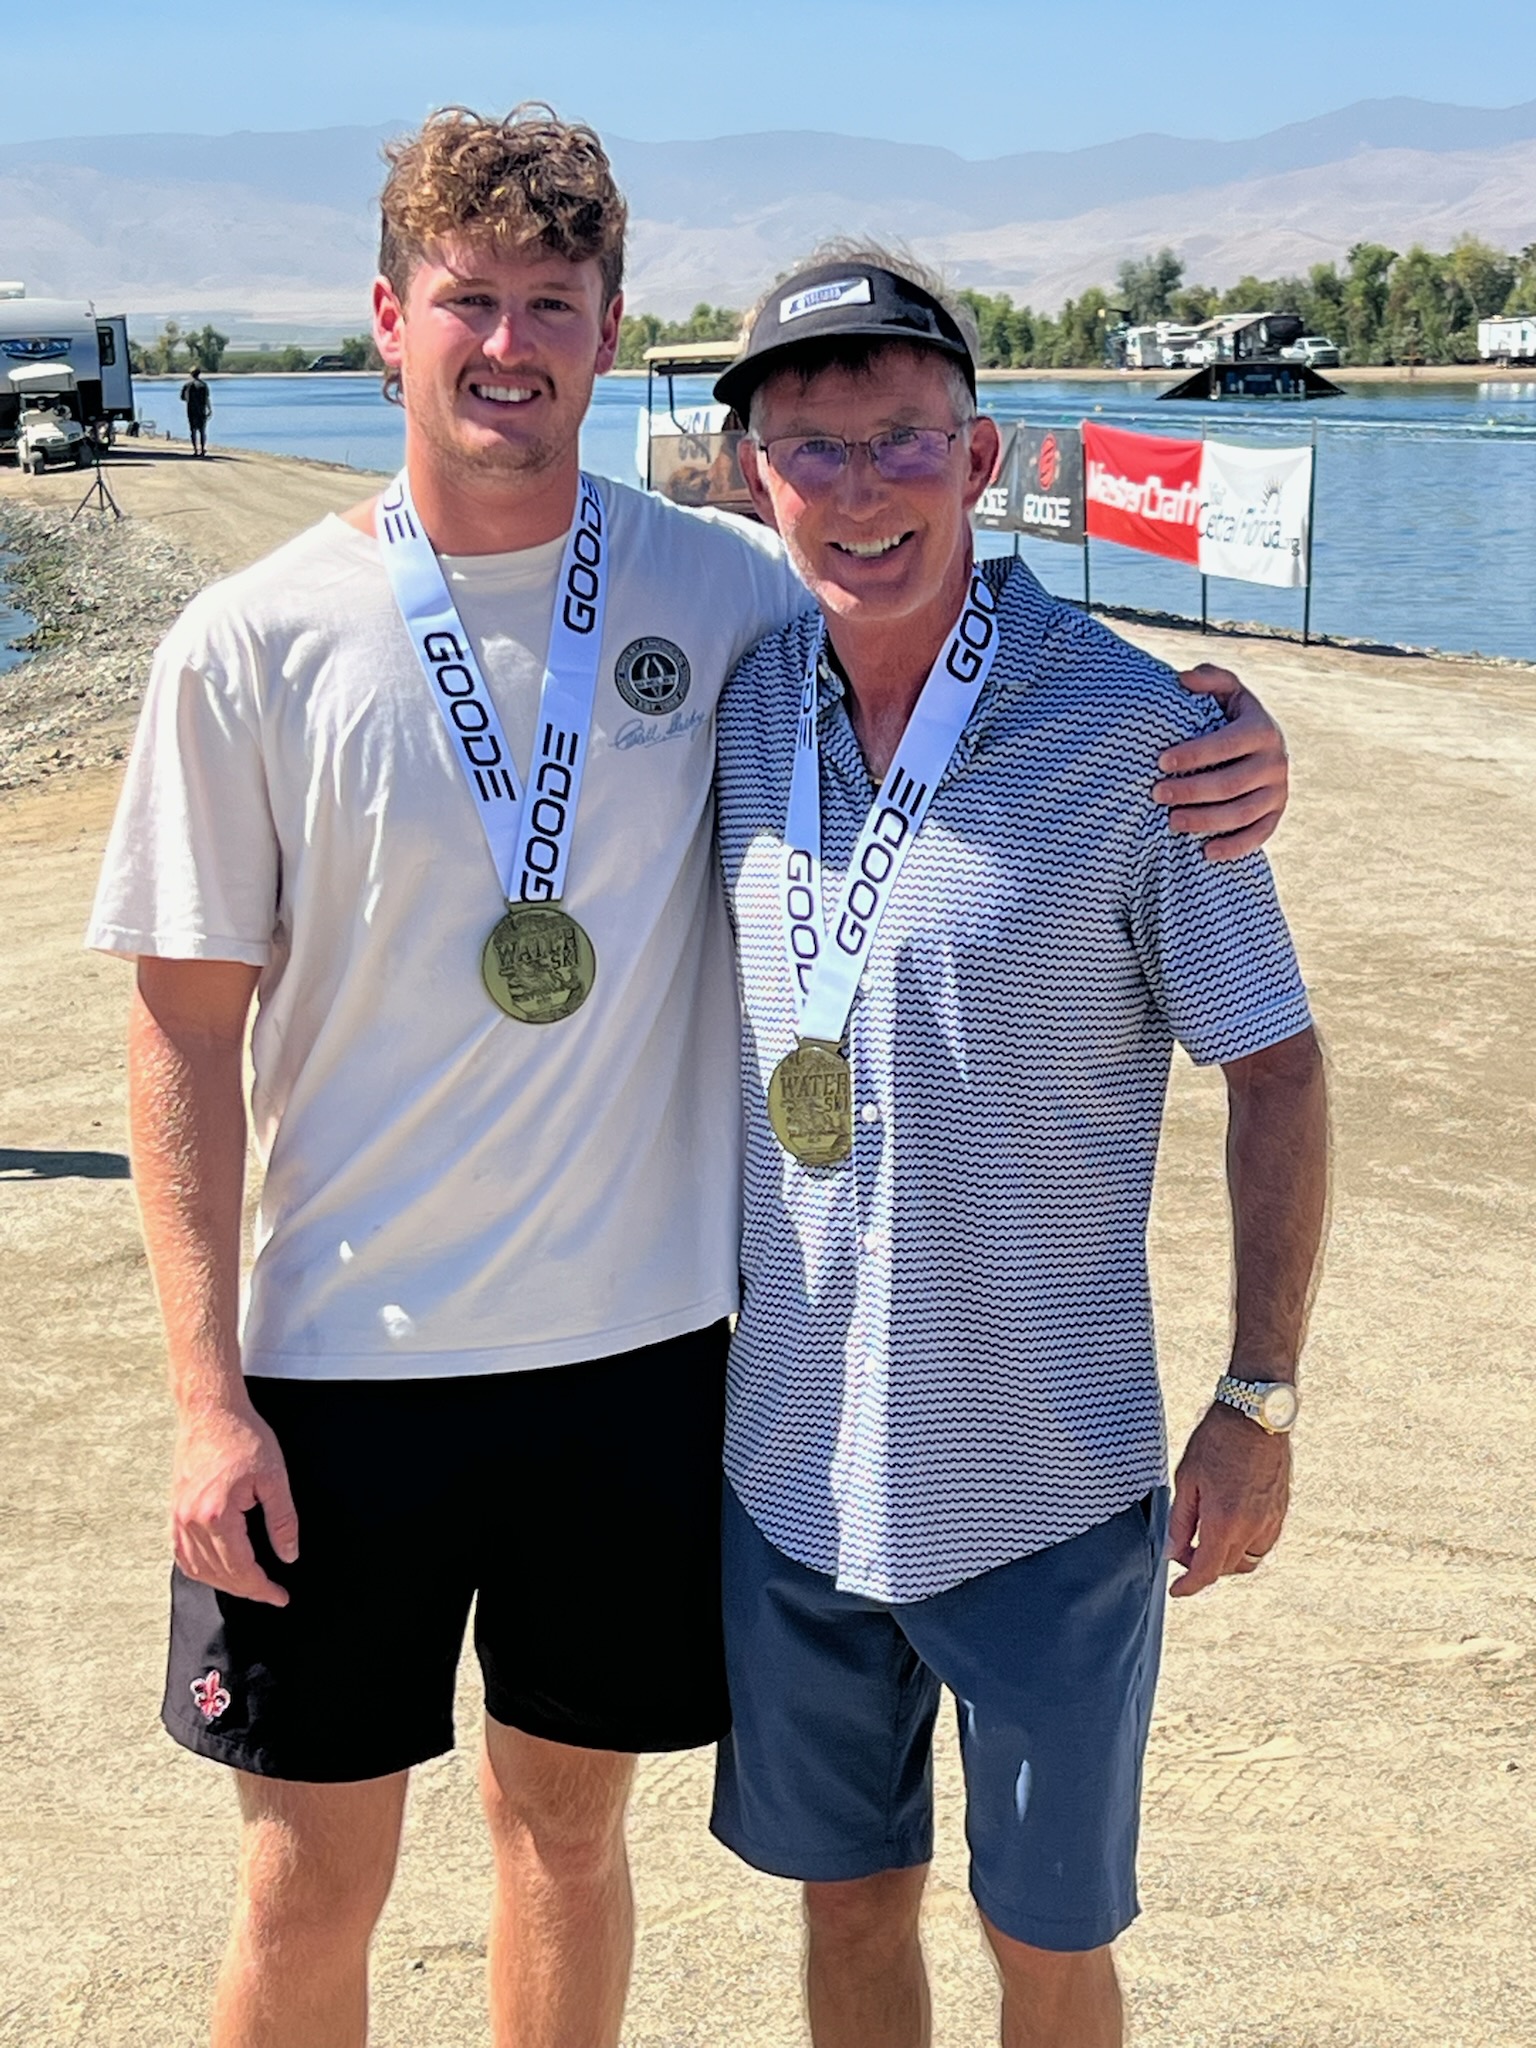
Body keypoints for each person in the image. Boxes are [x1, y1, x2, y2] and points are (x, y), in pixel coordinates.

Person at [86, 111, 1290, 2048]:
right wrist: (201, 1395)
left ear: (606, 326)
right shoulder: (249, 641)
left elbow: (951, 624)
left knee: (565, 1843)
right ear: (387, 320)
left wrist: (1218, 722)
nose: (509, 344)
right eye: (467, 301)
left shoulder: (725, 593)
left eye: (550, 304)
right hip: (334, 1367)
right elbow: (178, 1036)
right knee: (306, 1884)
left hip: (636, 1371)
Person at [707, 250, 1330, 2048]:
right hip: (791, 1473)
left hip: (1044, 1489)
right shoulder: (735, 708)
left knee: (1042, 1936)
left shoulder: (1149, 739)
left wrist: (1259, 1394)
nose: (861, 492)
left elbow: (1277, 1069)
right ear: (753, 476)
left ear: (981, 460)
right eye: (813, 451)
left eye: (902, 441)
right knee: (846, 1907)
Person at [181, 364, 212, 455]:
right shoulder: (203, 385)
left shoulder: (187, 385)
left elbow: (182, 398)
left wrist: (190, 400)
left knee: (193, 430)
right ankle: (202, 449)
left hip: (191, 409)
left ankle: (195, 450)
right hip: (201, 409)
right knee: (202, 430)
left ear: (191, 374)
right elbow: (206, 398)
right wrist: (209, 409)